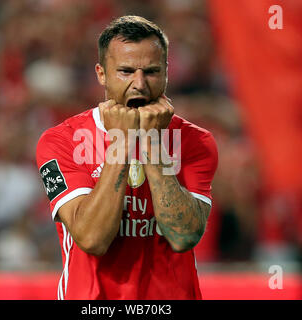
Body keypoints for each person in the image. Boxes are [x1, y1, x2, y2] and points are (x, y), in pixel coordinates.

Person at [36, 15, 218, 300]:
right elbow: (92, 238)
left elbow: (183, 235)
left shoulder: (197, 141)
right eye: (125, 71)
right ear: (101, 73)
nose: (139, 84)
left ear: (167, 72)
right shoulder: (59, 141)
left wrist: (152, 144)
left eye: (151, 72)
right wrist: (121, 142)